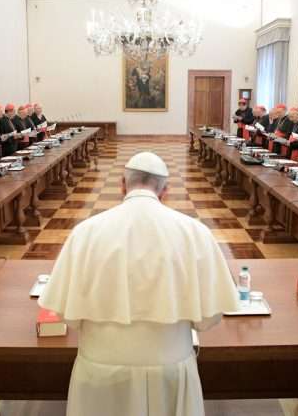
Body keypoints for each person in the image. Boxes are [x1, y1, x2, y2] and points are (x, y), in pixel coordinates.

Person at [39, 152, 239, 416]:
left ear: (122, 185)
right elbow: (208, 319)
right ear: (165, 191)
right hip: (170, 368)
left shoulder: (86, 232)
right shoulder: (194, 232)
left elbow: (67, 316)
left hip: (100, 370)